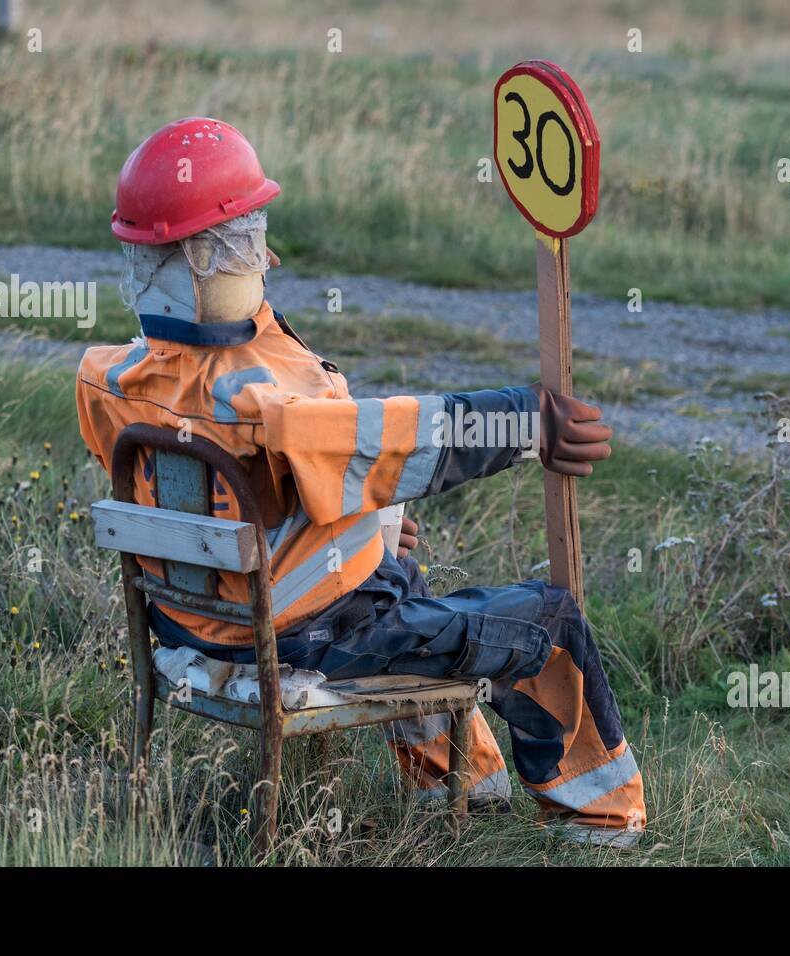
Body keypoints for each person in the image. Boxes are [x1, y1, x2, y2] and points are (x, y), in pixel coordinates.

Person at [76, 117, 645, 846]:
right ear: (207, 259)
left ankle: (468, 789)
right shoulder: (270, 403)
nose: (264, 257)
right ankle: (602, 826)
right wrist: (524, 420)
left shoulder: (109, 380)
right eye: (247, 239)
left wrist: (360, 533)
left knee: (394, 568)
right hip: (301, 640)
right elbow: (407, 437)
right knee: (549, 625)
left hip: (192, 629)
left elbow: (225, 501)